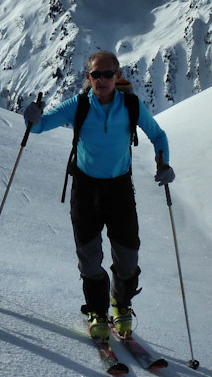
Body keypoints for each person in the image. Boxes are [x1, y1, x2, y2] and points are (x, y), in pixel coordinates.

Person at [22, 50, 174, 340]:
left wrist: (164, 162)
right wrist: (32, 119)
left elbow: (158, 135)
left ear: (118, 76)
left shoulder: (130, 105)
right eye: (96, 74)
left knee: (127, 258)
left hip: (119, 190)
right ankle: (98, 311)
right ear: (87, 76)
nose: (102, 79)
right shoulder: (78, 105)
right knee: (89, 258)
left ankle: (121, 304)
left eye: (108, 74)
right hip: (86, 190)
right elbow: (41, 125)